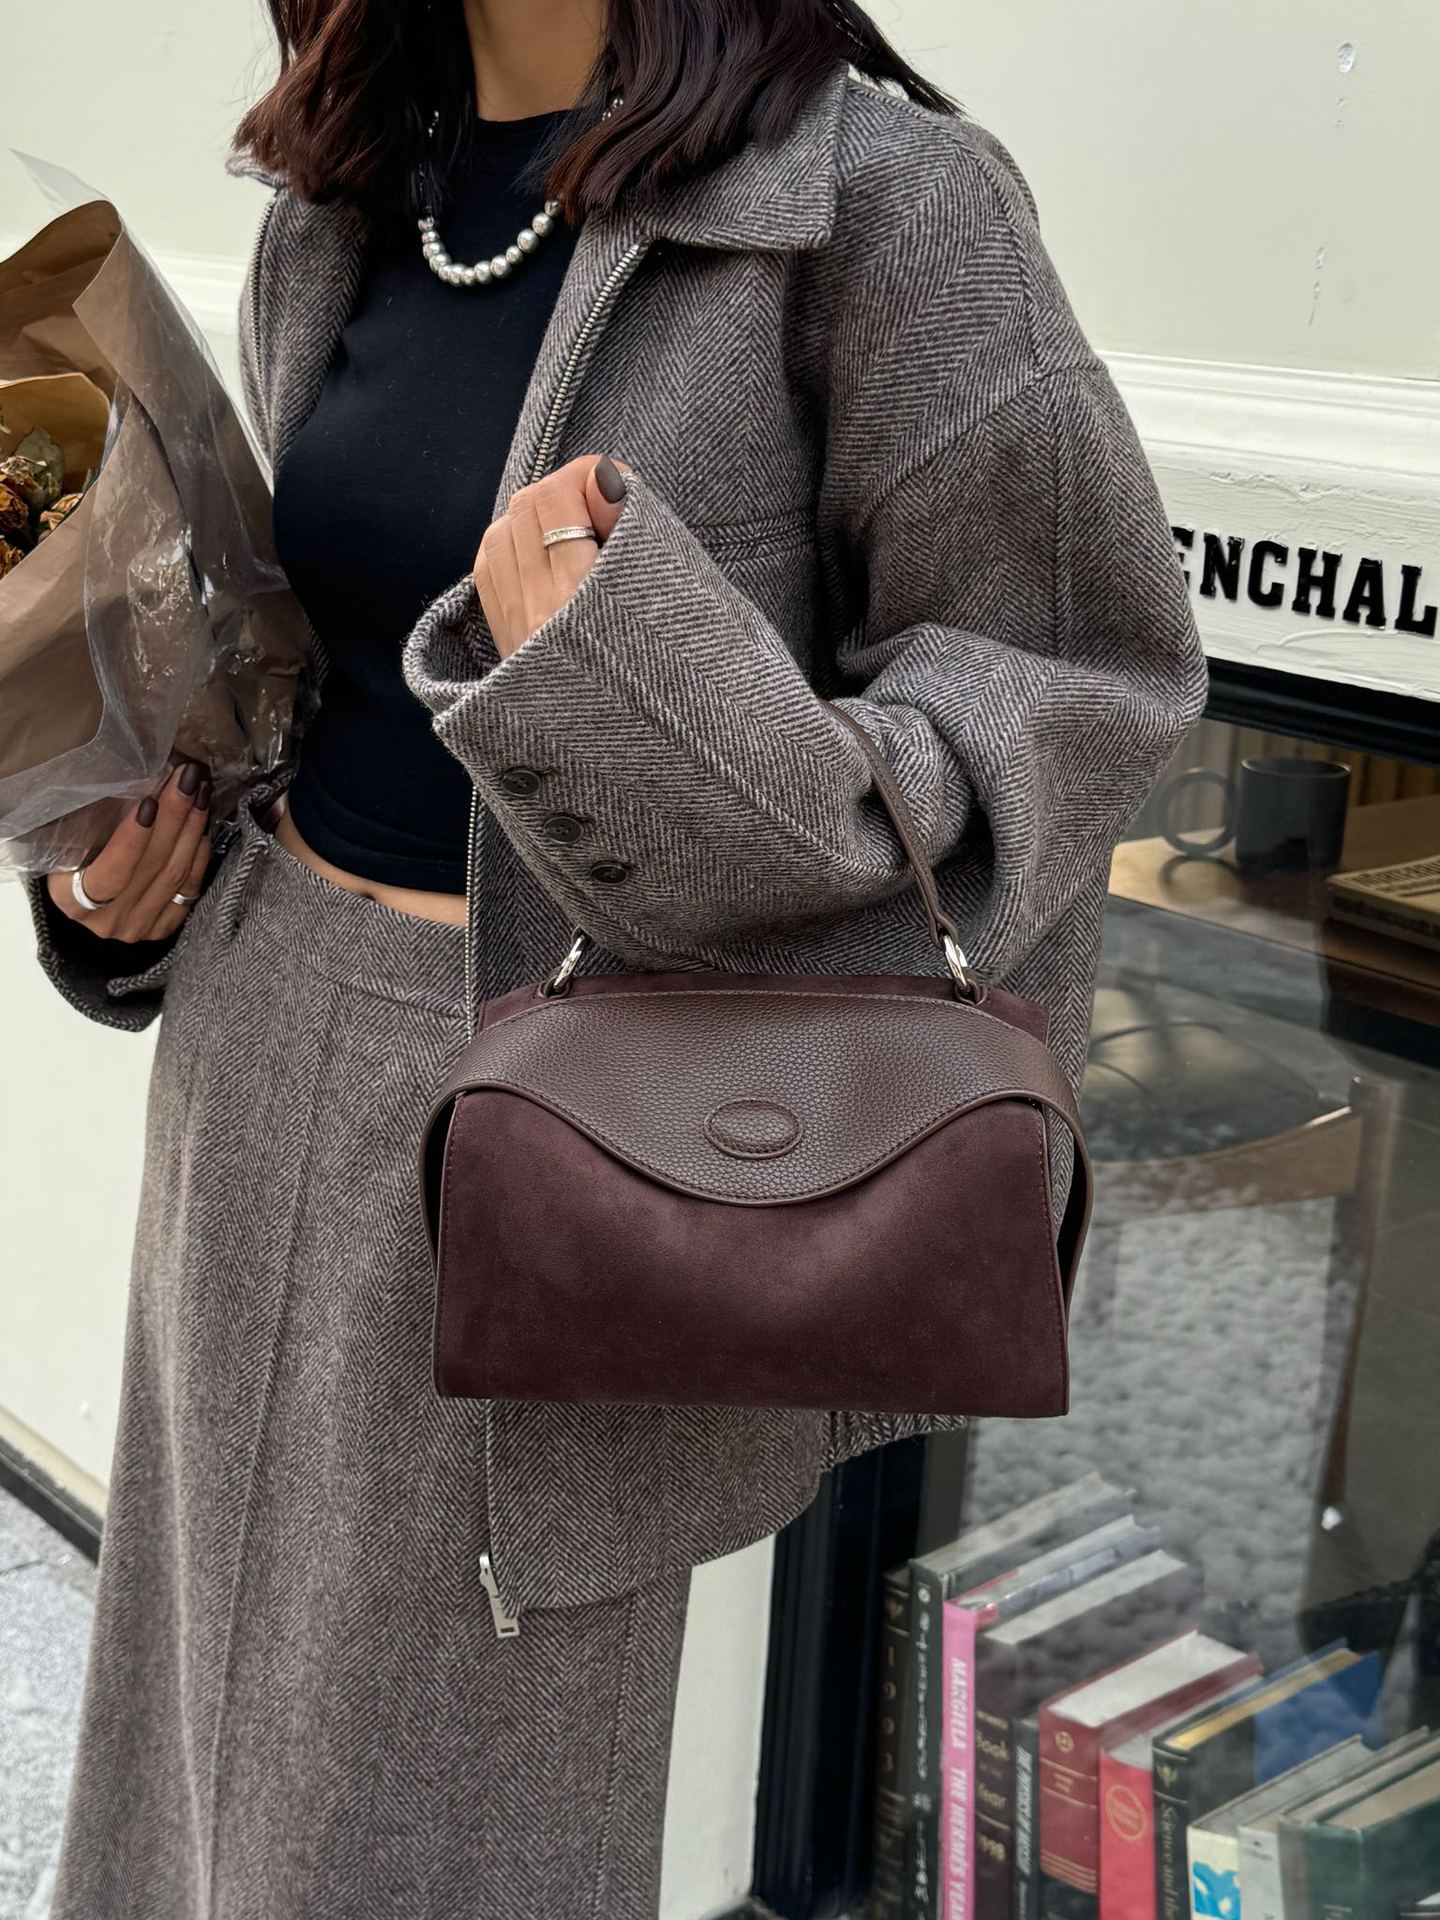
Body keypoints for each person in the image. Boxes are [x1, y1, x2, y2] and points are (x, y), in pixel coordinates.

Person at [25, 0, 1209, 1912]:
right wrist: (133, 868)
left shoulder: (879, 204)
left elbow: (1076, 685)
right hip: (245, 1068)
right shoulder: (349, 197)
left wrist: (635, 684)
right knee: (182, 1768)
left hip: (559, 1130)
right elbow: (302, 676)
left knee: (432, 1838)